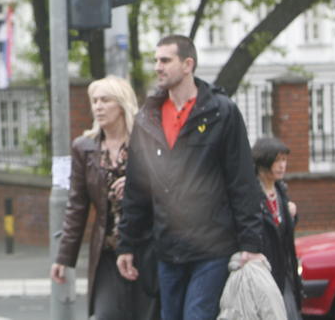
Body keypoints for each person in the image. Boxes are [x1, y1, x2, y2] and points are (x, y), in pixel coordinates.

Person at [116, 34, 264, 320]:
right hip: (168, 247)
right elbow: (137, 188)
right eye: (156, 60)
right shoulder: (148, 118)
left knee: (197, 315)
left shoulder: (222, 112)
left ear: (188, 64)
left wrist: (250, 243)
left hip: (213, 246)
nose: (158, 67)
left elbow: (242, 181)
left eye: (165, 60)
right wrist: (127, 244)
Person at [51, 76, 159, 319]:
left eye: (105, 100)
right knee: (104, 315)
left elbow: (167, 190)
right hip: (108, 253)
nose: (98, 106)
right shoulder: (84, 147)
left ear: (121, 105)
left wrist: (137, 186)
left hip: (146, 249)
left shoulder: (146, 142)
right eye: (94, 101)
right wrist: (64, 258)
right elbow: (77, 206)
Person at [252, 136, 303, 319]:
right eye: (277, 160)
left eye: (284, 160)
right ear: (263, 161)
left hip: (284, 271)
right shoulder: (251, 195)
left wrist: (292, 216)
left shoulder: (281, 191)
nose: (283, 165)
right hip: (262, 271)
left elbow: (282, 230)